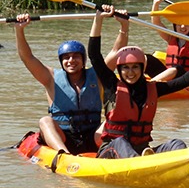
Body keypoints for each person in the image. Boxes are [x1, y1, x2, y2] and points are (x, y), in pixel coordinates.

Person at [89, 5, 189, 158]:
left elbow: (185, 80)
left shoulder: (153, 88)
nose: (130, 72)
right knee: (121, 142)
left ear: (142, 68)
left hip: (141, 149)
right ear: (120, 70)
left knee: (177, 144)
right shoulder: (111, 84)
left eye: (135, 67)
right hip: (112, 150)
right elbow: (94, 55)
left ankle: (158, 164)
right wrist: (98, 18)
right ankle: (139, 163)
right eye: (126, 68)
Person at [14, 12, 129, 154]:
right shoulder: (50, 78)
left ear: (83, 61)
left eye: (76, 56)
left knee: (116, 117)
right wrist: (19, 30)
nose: (71, 60)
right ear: (61, 62)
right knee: (45, 121)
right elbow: (27, 58)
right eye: (66, 57)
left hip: (93, 136)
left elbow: (117, 52)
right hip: (63, 138)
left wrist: (124, 25)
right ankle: (64, 155)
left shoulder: (97, 75)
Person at [147, 0, 189, 76]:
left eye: (186, 24)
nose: (183, 27)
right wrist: (156, 4)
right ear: (175, 26)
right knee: (148, 59)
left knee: (176, 69)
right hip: (170, 76)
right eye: (179, 24)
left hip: (186, 78)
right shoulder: (170, 38)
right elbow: (156, 23)